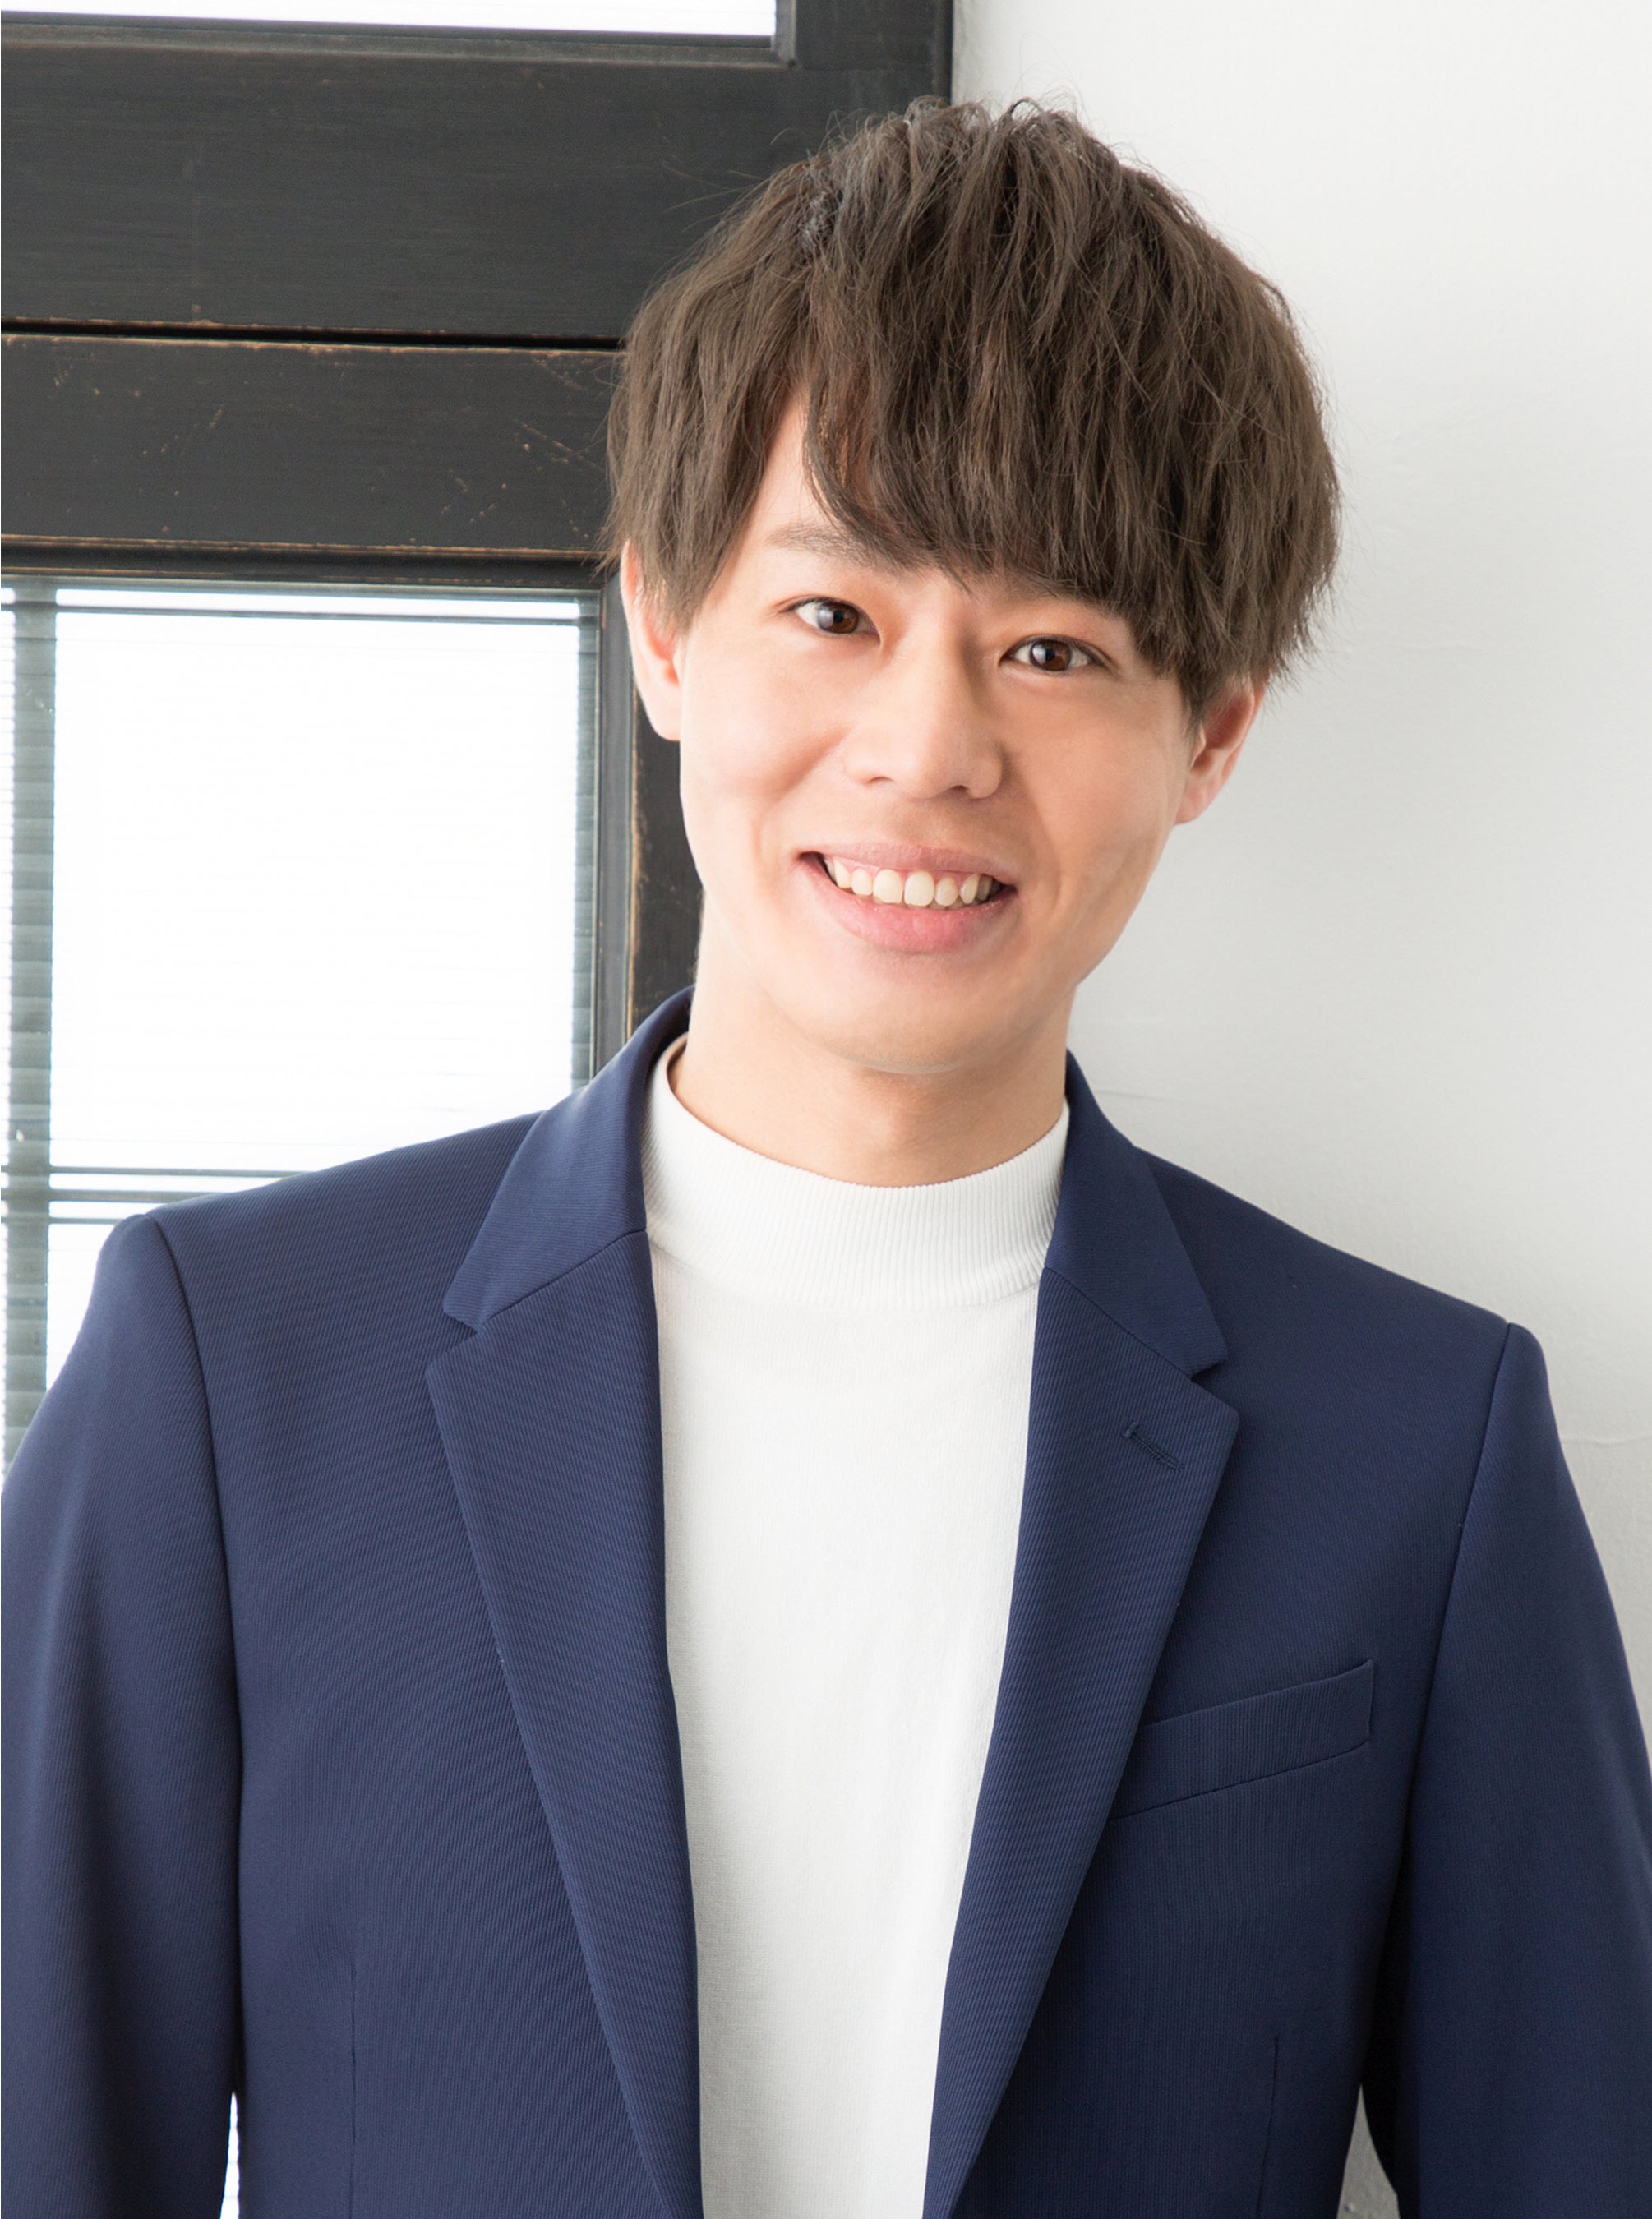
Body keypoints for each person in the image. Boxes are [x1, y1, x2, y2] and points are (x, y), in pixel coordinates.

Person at [6, 99, 1650, 2219]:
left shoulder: (1419, 1444)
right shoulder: (233, 1375)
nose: (929, 749)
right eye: (833, 612)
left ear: (1213, 735)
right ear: (662, 629)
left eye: (1054, 650)